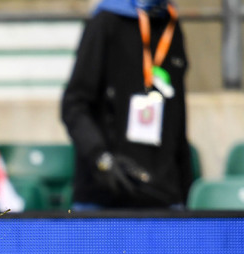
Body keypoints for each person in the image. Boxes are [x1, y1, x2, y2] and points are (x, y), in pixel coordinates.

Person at [61, 0, 193, 210]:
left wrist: (184, 191)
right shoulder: (105, 21)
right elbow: (74, 105)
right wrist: (101, 159)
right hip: (104, 195)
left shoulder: (170, 24)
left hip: (162, 196)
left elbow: (178, 118)